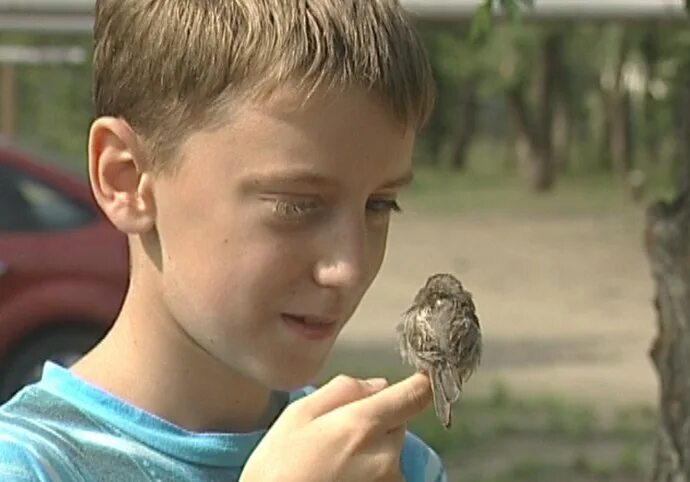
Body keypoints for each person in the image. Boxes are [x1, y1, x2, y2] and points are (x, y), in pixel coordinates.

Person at [0, 1, 444, 481]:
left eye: (379, 205)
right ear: (126, 179)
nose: (349, 267)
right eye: (296, 205)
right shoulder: (31, 466)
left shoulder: (385, 466)